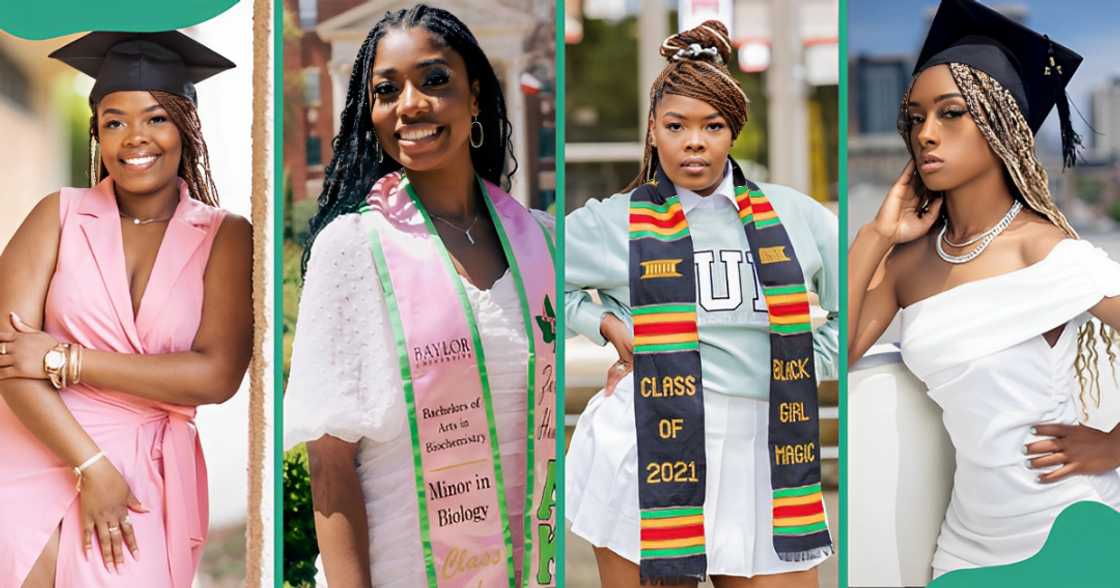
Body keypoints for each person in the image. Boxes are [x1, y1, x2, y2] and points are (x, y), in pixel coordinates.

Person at [283, 5, 557, 587]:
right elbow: (330, 466)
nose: (410, 104)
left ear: (476, 96)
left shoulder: (542, 244)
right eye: (388, 89)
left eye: (435, 80)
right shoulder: (356, 249)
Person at [848, 0, 1120, 577]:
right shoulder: (907, 264)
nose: (926, 134)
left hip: (1074, 527)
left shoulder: (1045, 252)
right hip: (965, 549)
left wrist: (1114, 445)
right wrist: (875, 235)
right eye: (914, 118)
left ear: (1002, 127)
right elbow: (833, 352)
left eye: (950, 114)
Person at [564, 20, 838, 588]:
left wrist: (813, 360)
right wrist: (605, 323)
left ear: (733, 131)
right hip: (649, 440)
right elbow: (527, 276)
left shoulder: (795, 214)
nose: (694, 141)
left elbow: (857, 301)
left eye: (712, 125)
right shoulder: (615, 221)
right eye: (676, 125)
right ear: (654, 131)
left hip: (767, 446)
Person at [0, 31, 251, 587]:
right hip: (33, 449)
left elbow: (215, 374)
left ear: (185, 129)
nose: (135, 138)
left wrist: (65, 359)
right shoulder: (57, 216)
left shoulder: (224, 235)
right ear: (97, 133)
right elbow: (7, 359)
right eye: (114, 121)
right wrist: (91, 467)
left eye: (156, 118)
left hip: (148, 472)